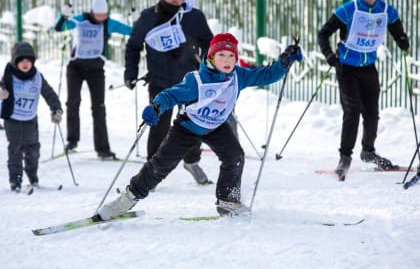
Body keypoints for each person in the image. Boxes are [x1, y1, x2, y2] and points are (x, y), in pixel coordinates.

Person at [97, 33, 302, 220]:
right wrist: (156, 107)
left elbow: (266, 75)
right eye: (222, 55)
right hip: (187, 127)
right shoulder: (197, 80)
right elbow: (171, 95)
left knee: (235, 156)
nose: (228, 61)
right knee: (160, 165)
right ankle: (128, 198)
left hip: (216, 127)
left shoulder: (239, 75)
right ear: (211, 57)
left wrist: (284, 62)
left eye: (232, 56)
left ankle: (228, 201)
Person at [318, 0, 410, 180]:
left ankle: (368, 151)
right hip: (347, 67)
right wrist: (329, 55)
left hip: (368, 67)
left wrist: (402, 40)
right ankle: (345, 157)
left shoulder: (385, 10)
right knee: (352, 111)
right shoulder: (350, 9)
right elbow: (324, 32)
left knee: (372, 112)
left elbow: (396, 29)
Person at [124, 0, 213, 184]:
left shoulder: (193, 16)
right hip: (160, 81)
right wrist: (130, 72)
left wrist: (208, 65)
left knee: (194, 121)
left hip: (190, 81)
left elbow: (209, 41)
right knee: (158, 126)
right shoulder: (149, 17)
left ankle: (192, 161)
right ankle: (151, 172)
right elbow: (133, 46)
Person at [54, 0, 132, 160]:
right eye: (99, 15)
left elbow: (129, 31)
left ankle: (103, 149)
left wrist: (138, 23)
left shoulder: (108, 23)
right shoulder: (80, 20)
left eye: (104, 15)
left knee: (99, 107)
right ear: (92, 12)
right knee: (73, 103)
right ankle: (72, 141)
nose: (101, 18)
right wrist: (64, 16)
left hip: (96, 69)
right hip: (75, 68)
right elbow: (59, 28)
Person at [0, 42, 62, 192]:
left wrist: (56, 109)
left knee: (33, 150)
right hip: (12, 118)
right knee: (15, 150)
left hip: (30, 119)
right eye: (22, 60)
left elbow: (49, 94)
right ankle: (16, 181)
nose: (25, 63)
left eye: (29, 60)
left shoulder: (37, 77)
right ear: (15, 61)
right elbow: (1, 87)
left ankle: (32, 177)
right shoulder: (9, 76)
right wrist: (2, 92)